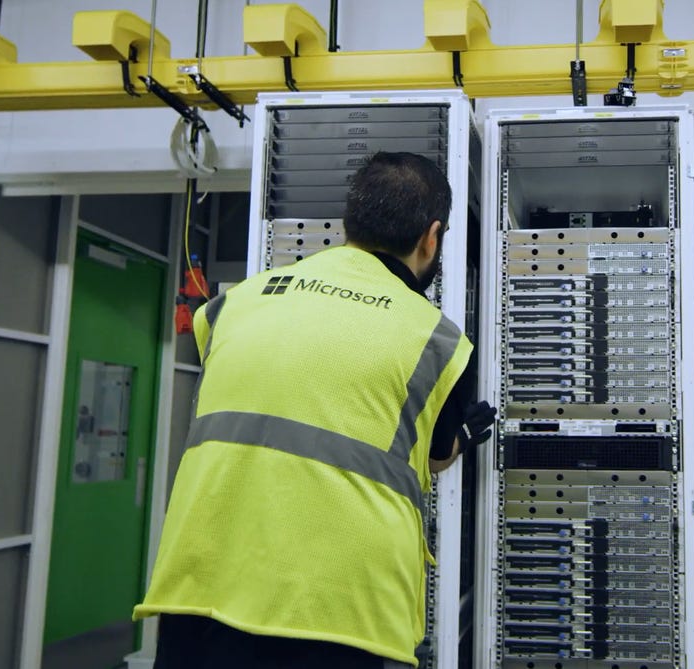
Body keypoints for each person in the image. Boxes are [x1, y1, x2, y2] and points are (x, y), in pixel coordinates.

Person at [135, 152, 496, 668]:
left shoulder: (235, 302)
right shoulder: (436, 340)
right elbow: (435, 458)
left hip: (200, 592)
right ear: (431, 236)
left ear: (349, 224)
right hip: (338, 612)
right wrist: (462, 435)